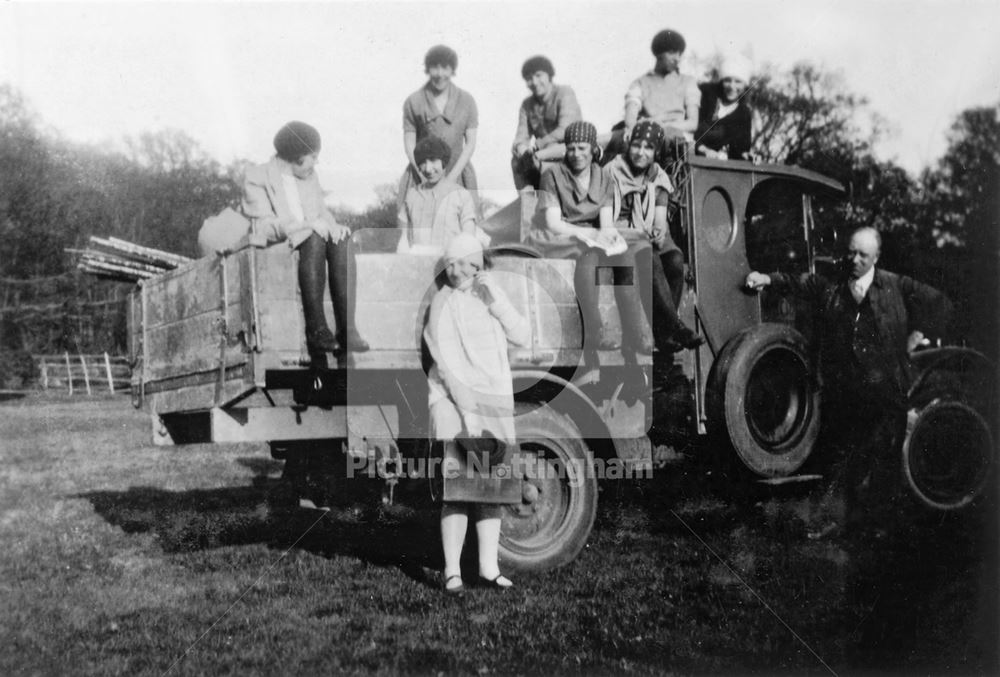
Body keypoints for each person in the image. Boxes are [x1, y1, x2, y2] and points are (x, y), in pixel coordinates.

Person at [745, 227, 951, 537]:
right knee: (839, 457)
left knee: (883, 458)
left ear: (876, 258)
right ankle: (833, 521)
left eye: (862, 255)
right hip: (846, 388)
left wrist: (915, 337)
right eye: (851, 252)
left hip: (886, 389)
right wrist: (768, 278)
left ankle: (878, 527)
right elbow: (799, 282)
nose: (854, 260)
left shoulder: (896, 285)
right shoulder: (833, 283)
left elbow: (941, 303)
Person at [423, 233, 531, 595]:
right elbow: (447, 365)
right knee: (458, 487)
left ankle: (488, 567)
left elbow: (522, 336)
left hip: (493, 399)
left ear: (482, 264)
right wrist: (469, 415)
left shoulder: (490, 294)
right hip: (455, 402)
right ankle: (452, 570)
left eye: (472, 264)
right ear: (447, 265)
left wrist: (496, 299)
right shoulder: (442, 302)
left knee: (493, 487)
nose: (463, 271)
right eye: (456, 264)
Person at [525, 120, 654, 379]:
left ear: (594, 148)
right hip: (561, 236)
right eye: (571, 148)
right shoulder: (552, 174)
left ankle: (635, 330)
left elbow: (606, 223)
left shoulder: (603, 176)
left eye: (582, 148)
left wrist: (610, 238)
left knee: (625, 255)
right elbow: (553, 222)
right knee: (590, 256)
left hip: (591, 234)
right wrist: (589, 234)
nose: (576, 154)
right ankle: (594, 329)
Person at [241, 120, 369, 358]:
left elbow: (322, 214)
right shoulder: (257, 177)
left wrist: (335, 226)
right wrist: (307, 225)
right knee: (313, 237)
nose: (316, 163)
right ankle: (316, 328)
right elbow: (264, 227)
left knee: (341, 239)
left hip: (311, 247)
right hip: (279, 250)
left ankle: (347, 329)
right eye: (313, 157)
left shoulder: (309, 176)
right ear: (297, 157)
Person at [607, 120, 703, 351]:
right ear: (628, 145)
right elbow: (606, 219)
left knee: (674, 259)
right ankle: (674, 326)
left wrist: (657, 232)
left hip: (643, 235)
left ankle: (663, 334)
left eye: (648, 148)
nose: (641, 152)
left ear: (655, 151)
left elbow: (659, 223)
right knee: (647, 253)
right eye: (636, 145)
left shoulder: (658, 177)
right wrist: (641, 234)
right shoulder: (611, 172)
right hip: (618, 235)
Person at [399, 45, 479, 216]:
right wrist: (423, 174)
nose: (440, 73)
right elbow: (409, 143)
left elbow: (470, 143)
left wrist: (450, 180)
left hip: (457, 172)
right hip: (423, 172)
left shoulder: (467, 101)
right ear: (428, 69)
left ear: (452, 70)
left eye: (445, 67)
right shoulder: (414, 101)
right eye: (435, 67)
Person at [603, 28, 700, 167]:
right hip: (643, 131)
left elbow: (692, 123)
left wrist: (661, 125)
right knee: (599, 140)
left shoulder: (688, 82)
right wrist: (634, 128)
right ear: (659, 54)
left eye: (680, 54)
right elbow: (630, 118)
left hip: (673, 136)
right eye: (672, 52)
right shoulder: (641, 82)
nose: (677, 58)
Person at [397, 135, 485, 253]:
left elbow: (468, 240)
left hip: (450, 264)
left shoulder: (461, 195)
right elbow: (402, 240)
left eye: (433, 161)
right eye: (423, 162)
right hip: (417, 263)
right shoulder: (411, 196)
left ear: (443, 161)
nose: (428, 169)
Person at [510, 55, 583, 190]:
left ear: (549, 74)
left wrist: (539, 145)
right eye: (529, 79)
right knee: (517, 160)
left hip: (568, 150)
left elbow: (566, 130)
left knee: (549, 149)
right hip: (542, 154)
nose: (535, 82)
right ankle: (527, 202)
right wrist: (523, 151)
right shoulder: (527, 105)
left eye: (538, 75)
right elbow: (520, 137)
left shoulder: (564, 93)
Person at [696, 53, 755, 160]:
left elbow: (740, 148)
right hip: (688, 155)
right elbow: (691, 129)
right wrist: (704, 149)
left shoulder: (744, 113)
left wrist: (747, 155)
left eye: (738, 81)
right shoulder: (706, 95)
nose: (732, 86)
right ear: (721, 81)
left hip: (712, 163)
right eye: (728, 80)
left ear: (745, 85)